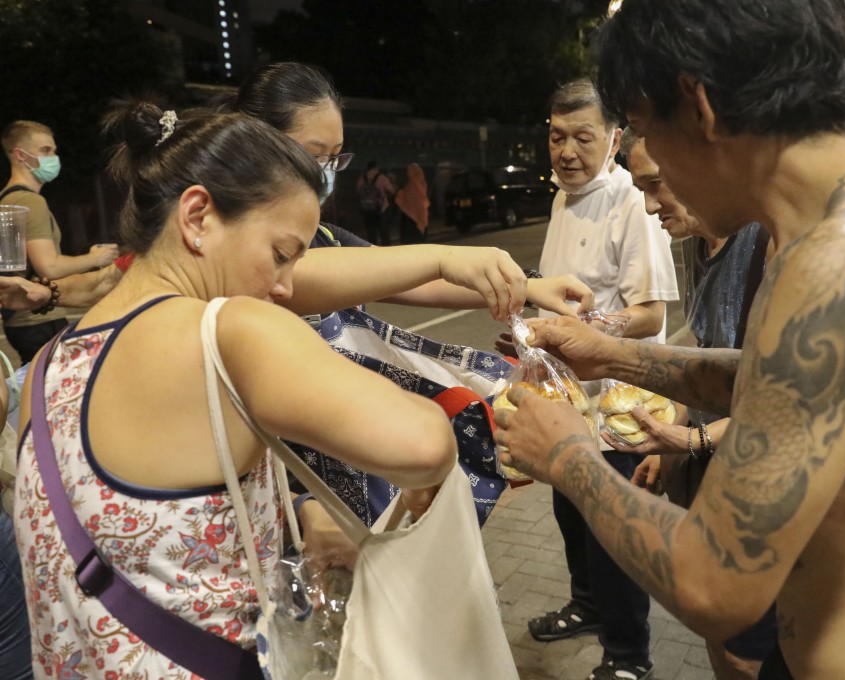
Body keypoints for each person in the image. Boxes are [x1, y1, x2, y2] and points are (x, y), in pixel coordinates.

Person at [493, 2, 845, 679]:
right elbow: (787, 381)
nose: (654, 193)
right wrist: (614, 354)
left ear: (698, 106)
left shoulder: (838, 262)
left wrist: (567, 456)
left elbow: (715, 586)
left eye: (646, 130)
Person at [13, 101, 460, 678]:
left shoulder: (47, 368)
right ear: (197, 216)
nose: (285, 287)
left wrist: (302, 512)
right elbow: (423, 446)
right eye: (281, 255)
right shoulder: (227, 331)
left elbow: (149, 517)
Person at [228, 61, 594, 533]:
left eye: (335, 158)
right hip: (284, 478)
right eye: (312, 155)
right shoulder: (235, 246)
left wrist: (524, 285)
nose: (324, 173)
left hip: (345, 469)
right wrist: (442, 257)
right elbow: (294, 280)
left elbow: (397, 277)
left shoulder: (324, 235)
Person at [526, 79, 679, 680]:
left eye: (582, 138)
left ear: (613, 140)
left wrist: (591, 326)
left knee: (614, 529)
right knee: (569, 511)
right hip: (567, 395)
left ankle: (628, 656)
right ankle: (587, 607)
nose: (566, 151)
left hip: (621, 403)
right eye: (556, 137)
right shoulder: (562, 200)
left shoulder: (629, 200)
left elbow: (652, 314)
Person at [617, 128, 776, 680]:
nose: (650, 204)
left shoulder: (768, 243)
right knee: (724, 641)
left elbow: (784, 399)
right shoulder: (696, 244)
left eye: (657, 184)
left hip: (764, 496)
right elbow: (712, 359)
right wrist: (675, 436)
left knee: (748, 652)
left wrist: (694, 440)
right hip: (718, 495)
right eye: (640, 188)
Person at [0, 121, 119, 363]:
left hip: (20, 321)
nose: (53, 157)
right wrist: (95, 258)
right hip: (39, 317)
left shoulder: (7, 199)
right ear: (20, 155)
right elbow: (49, 267)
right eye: (45, 151)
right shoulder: (31, 202)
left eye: (53, 150)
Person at [356, 161, 395, 245]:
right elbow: (392, 190)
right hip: (381, 209)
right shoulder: (382, 178)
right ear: (376, 168)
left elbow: (358, 193)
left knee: (371, 234)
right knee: (384, 234)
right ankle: (386, 252)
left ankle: (373, 251)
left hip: (367, 210)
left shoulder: (361, 179)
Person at [397, 162, 429, 244]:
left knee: (411, 243)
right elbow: (423, 201)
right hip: (422, 216)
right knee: (421, 243)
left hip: (410, 220)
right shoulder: (422, 183)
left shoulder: (411, 185)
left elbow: (404, 202)